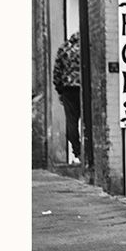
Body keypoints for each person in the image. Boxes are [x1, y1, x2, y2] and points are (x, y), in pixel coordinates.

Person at [52, 32, 82, 162]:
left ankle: (77, 150)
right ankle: (87, 151)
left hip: (68, 89)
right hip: (83, 87)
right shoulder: (86, 46)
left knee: (72, 120)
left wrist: (59, 90)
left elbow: (57, 71)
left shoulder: (64, 48)